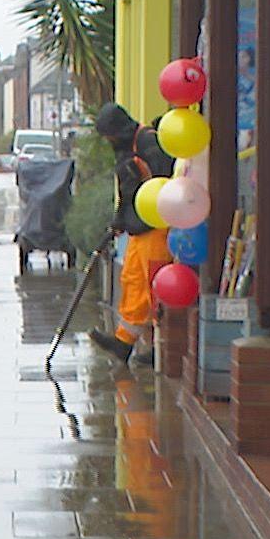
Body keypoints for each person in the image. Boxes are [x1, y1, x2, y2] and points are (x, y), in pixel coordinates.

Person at [87, 102, 175, 367]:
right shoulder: (127, 147)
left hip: (156, 224)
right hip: (139, 226)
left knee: (152, 287)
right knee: (133, 279)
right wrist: (119, 221)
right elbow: (128, 191)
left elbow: (158, 183)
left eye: (109, 136)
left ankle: (162, 348)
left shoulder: (148, 144)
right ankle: (124, 342)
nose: (109, 141)